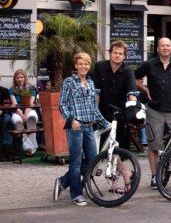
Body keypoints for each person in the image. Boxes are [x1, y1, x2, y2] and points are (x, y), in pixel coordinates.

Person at [134, 37, 171, 190]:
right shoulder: (149, 64)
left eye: (168, 45)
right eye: (162, 45)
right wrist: (145, 90)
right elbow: (135, 78)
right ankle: (154, 176)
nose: (165, 48)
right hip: (154, 110)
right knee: (153, 145)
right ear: (157, 48)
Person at [53, 52, 109, 206]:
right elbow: (62, 104)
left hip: (90, 127)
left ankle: (63, 181)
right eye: (81, 64)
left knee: (92, 160)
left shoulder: (91, 83)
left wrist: (106, 124)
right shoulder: (69, 82)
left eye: (86, 64)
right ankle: (77, 194)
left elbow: (93, 108)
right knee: (76, 162)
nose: (83, 66)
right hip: (75, 128)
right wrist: (71, 121)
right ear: (76, 65)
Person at [93, 40, 139, 151]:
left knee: (120, 147)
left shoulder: (128, 71)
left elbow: (132, 92)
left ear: (124, 57)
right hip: (102, 112)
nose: (117, 56)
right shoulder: (99, 67)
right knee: (99, 146)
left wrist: (134, 109)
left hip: (121, 113)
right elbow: (96, 92)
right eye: (115, 53)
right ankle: (96, 167)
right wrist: (94, 111)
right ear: (110, 53)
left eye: (120, 54)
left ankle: (119, 167)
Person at [9, 69, 40, 156]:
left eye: (21, 77)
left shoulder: (31, 88)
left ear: (25, 78)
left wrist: (26, 116)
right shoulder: (11, 90)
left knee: (31, 119)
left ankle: (30, 149)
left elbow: (30, 104)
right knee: (18, 122)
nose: (19, 79)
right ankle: (30, 148)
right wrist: (22, 117)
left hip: (29, 110)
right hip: (17, 112)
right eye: (17, 77)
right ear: (15, 79)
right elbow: (15, 105)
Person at [0, 80, 18, 160]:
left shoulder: (4, 90)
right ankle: (5, 149)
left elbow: (7, 105)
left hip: (3, 114)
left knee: (8, 119)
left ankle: (6, 147)